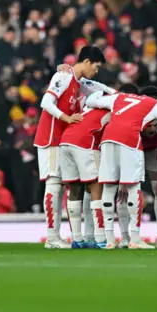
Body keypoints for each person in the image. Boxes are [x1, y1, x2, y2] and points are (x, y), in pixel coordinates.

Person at [86, 85, 157, 249]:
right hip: (131, 141)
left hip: (110, 139)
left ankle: (109, 240)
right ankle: (132, 239)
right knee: (130, 188)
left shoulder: (119, 98)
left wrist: (101, 90)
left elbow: (91, 100)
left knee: (109, 186)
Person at [34, 45, 113, 249]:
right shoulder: (63, 76)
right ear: (86, 62)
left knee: (65, 184)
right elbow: (46, 102)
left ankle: (64, 236)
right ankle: (52, 237)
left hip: (64, 140)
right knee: (54, 184)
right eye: (95, 67)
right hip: (50, 137)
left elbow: (105, 90)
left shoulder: (79, 82)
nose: (96, 70)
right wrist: (66, 117)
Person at [59, 98, 110, 248]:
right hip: (85, 142)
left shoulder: (87, 109)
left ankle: (77, 239)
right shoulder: (111, 112)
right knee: (96, 185)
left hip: (65, 141)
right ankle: (100, 238)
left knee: (74, 188)